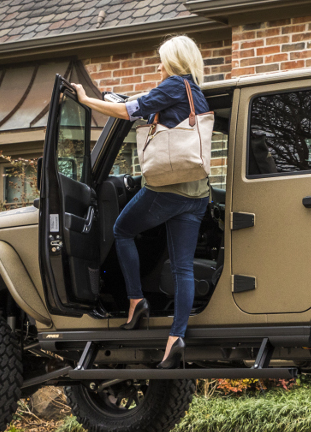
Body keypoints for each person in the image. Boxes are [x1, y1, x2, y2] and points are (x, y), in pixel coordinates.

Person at [72, 35, 211, 369]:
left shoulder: (173, 85)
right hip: (197, 195)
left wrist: (87, 99)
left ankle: (136, 300)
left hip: (166, 189)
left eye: (161, 60)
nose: (158, 66)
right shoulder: (197, 94)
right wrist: (115, 97)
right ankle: (175, 337)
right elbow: (143, 104)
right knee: (183, 267)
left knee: (122, 230)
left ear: (174, 62)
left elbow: (126, 111)